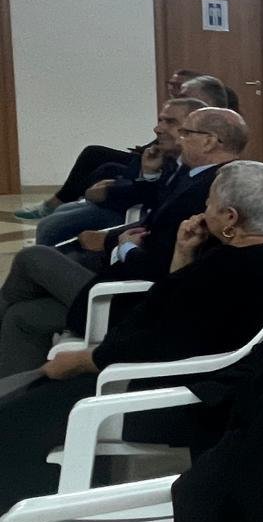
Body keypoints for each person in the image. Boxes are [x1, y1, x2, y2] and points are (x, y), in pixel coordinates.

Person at [0, 161, 263, 513]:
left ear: (230, 217)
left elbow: (162, 339)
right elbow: (175, 308)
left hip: (180, 399)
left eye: (209, 203)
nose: (203, 209)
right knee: (30, 385)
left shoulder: (228, 269)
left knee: (15, 414)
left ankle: (24, 505)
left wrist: (85, 360)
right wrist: (183, 252)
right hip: (214, 384)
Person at [0, 107, 249, 376]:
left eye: (186, 133)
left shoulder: (212, 190)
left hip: (135, 301)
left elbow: (161, 263)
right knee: (22, 316)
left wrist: (124, 247)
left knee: (33, 257)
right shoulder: (198, 175)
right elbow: (154, 219)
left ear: (209, 141)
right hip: (129, 284)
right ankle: (19, 394)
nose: (179, 138)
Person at [36, 98, 201, 245]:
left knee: (51, 228)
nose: (157, 129)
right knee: (61, 214)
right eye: (160, 121)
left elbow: (159, 213)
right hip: (134, 213)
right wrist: (148, 173)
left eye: (170, 122)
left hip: (140, 226)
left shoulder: (196, 168)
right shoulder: (171, 158)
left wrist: (108, 237)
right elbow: (148, 192)